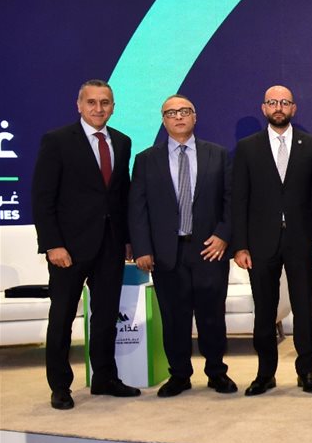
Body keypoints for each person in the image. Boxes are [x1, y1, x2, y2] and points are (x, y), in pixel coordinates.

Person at [32, 79, 139, 410]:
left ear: (113, 107)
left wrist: (128, 239)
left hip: (110, 245)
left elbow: (122, 194)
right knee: (62, 317)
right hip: (68, 248)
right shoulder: (57, 141)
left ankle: (104, 378)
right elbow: (42, 197)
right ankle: (60, 386)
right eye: (91, 102)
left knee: (106, 317)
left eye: (105, 102)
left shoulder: (122, 141)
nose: (98, 108)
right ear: (79, 105)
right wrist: (53, 244)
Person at [129, 94, 236, 397]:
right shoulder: (146, 160)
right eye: (171, 113)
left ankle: (216, 372)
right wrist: (142, 248)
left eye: (184, 111)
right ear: (163, 120)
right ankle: (179, 375)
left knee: (212, 316)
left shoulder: (217, 154)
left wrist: (224, 235)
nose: (178, 117)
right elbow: (137, 208)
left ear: (195, 117)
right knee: (174, 318)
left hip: (209, 249)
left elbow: (231, 200)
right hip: (167, 252)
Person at [231, 85, 312, 396]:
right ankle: (264, 374)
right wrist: (240, 245)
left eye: (284, 102)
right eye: (272, 102)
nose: (278, 107)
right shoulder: (247, 148)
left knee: (304, 309)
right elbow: (239, 199)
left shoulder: (311, 145)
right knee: (264, 311)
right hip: (260, 242)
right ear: (263, 108)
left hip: (302, 239)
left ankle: (306, 372)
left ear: (294, 108)